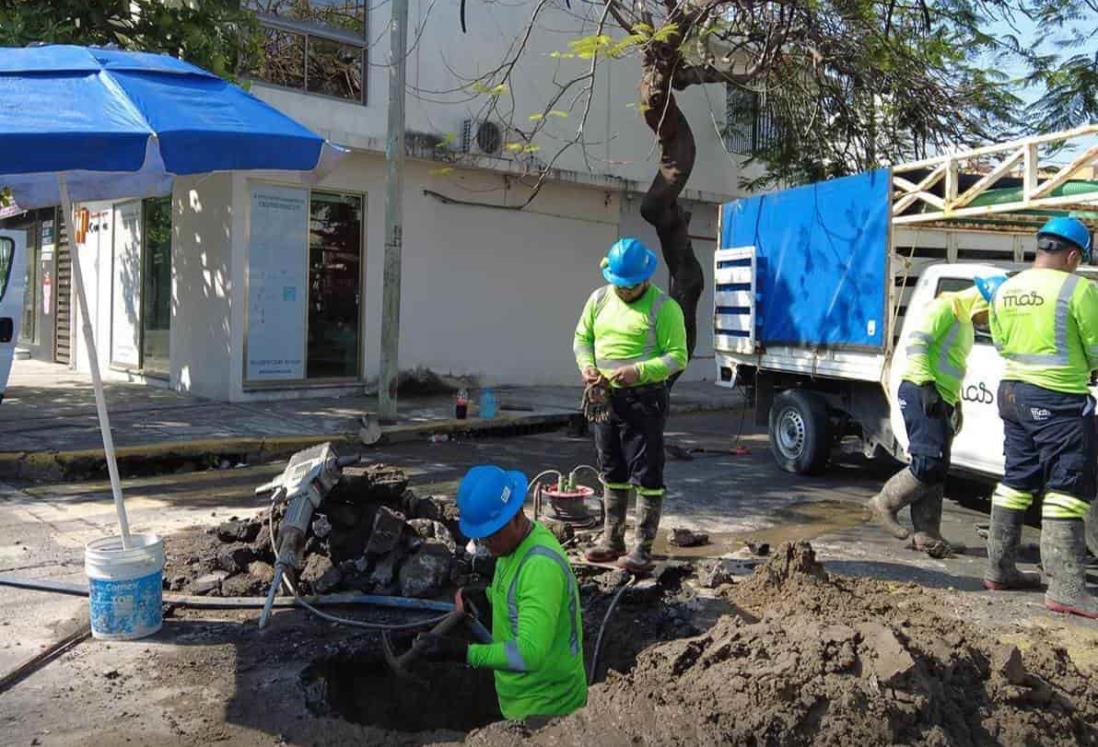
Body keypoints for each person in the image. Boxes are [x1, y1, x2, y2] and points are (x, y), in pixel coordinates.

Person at [982, 216, 1098, 619]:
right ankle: (1066, 588)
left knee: (1017, 478)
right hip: (1059, 398)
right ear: (1071, 255)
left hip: (1013, 393)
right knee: (1068, 483)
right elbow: (1096, 346)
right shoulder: (1078, 288)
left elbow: (1000, 342)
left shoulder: (1006, 288)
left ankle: (999, 569)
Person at [417, 465, 587, 722]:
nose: (486, 544)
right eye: (481, 537)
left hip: (547, 710)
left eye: (492, 534)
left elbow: (528, 653)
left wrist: (461, 652)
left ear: (517, 516)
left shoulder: (540, 567)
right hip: (524, 699)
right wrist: (485, 595)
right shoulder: (513, 545)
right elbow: (516, 595)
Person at [573, 238, 688, 573]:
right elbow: (583, 338)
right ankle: (612, 539)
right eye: (619, 286)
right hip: (605, 398)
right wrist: (587, 367)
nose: (624, 292)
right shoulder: (597, 300)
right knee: (611, 467)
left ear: (646, 278)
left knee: (647, 471)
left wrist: (639, 371)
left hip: (644, 400)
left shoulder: (664, 308)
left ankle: (642, 547)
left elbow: (677, 357)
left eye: (632, 286)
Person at [867, 278, 1000, 556]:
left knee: (937, 468)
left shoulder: (964, 319)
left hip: (941, 397)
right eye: (991, 312)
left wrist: (956, 402)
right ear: (982, 301)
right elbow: (917, 345)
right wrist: (926, 384)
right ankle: (884, 503)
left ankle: (927, 534)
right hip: (921, 391)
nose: (990, 319)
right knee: (928, 463)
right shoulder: (944, 308)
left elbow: (951, 362)